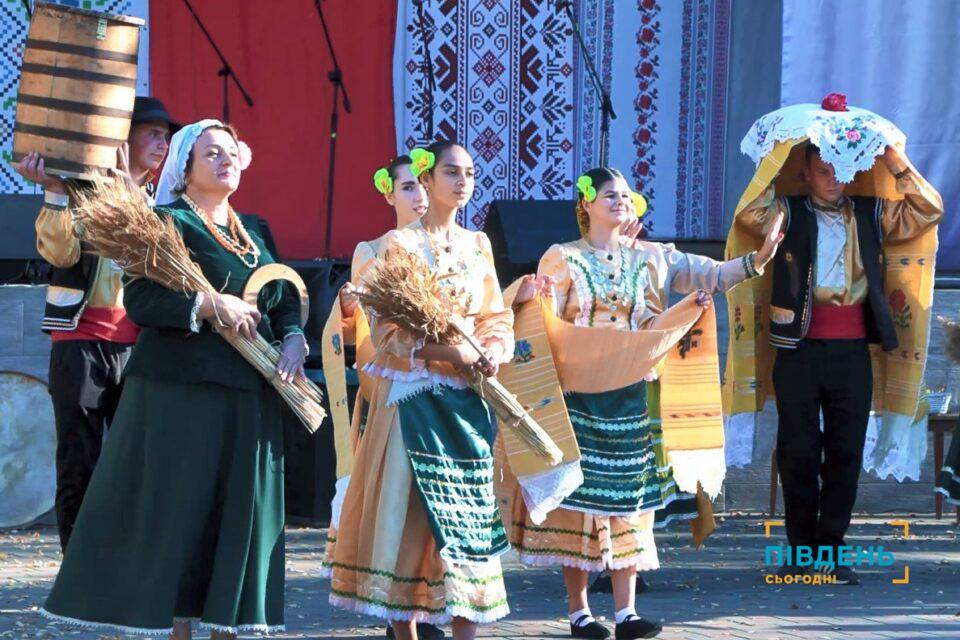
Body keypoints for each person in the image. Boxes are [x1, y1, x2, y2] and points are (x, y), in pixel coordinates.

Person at [40, 120, 308, 638]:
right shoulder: (165, 222)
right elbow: (142, 301)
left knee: (238, 516)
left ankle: (229, 626)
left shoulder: (255, 229)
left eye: (231, 152)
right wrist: (207, 304)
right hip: (182, 394)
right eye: (211, 153)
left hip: (250, 393)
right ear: (185, 169)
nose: (225, 160)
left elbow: (282, 295)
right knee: (182, 517)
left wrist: (295, 336)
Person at [508, 167, 781, 639]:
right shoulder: (563, 257)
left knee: (630, 502)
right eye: (609, 195)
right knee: (578, 503)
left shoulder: (654, 257)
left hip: (632, 395)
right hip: (580, 397)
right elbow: (542, 317)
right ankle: (579, 613)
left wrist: (757, 260)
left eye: (625, 195)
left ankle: (626, 613)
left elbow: (714, 275)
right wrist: (532, 299)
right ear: (586, 204)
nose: (620, 201)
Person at [327, 141, 514, 640]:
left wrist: (494, 347)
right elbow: (387, 333)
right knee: (408, 522)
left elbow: (495, 313)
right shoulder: (398, 245)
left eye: (469, 172)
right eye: (451, 172)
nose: (463, 181)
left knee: (469, 523)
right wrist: (452, 353)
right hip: (414, 399)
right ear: (428, 180)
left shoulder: (478, 244)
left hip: (467, 400)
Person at [737, 143, 943, 585]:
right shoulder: (786, 211)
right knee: (798, 451)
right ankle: (799, 552)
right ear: (805, 174)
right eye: (823, 171)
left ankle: (831, 550)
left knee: (845, 451)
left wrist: (893, 159)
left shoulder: (871, 212)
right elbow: (748, 214)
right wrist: (777, 155)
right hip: (797, 350)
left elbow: (928, 210)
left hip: (852, 352)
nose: (833, 179)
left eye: (840, 170)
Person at [15, 96, 177, 550]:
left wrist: (131, 198)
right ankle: (78, 567)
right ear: (123, 138)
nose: (161, 144)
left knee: (137, 460)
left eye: (166, 137)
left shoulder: (163, 203)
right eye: (152, 134)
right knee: (78, 460)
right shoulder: (82, 192)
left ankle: (128, 561)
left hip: (140, 347)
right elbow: (60, 255)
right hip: (81, 340)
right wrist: (54, 191)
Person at [322, 155, 442, 640]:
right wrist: (349, 311)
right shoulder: (373, 250)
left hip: (446, 390)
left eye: (424, 185)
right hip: (393, 391)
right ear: (389, 194)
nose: (419, 196)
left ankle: (433, 606)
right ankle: (400, 613)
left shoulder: (457, 249)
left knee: (437, 506)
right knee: (398, 505)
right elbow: (365, 327)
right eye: (408, 187)